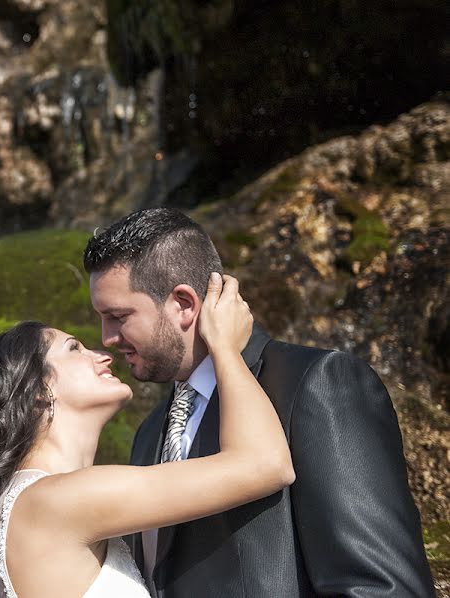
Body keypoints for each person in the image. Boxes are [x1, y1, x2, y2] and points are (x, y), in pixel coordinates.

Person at [83, 208, 435, 597]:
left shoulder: (317, 384)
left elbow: (381, 586)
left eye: (118, 316)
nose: (107, 338)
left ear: (183, 303)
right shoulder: (150, 432)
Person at [0, 272, 295, 597]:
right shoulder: (58, 501)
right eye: (74, 348)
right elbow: (266, 465)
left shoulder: (35, 501)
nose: (103, 354)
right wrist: (225, 348)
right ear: (37, 391)